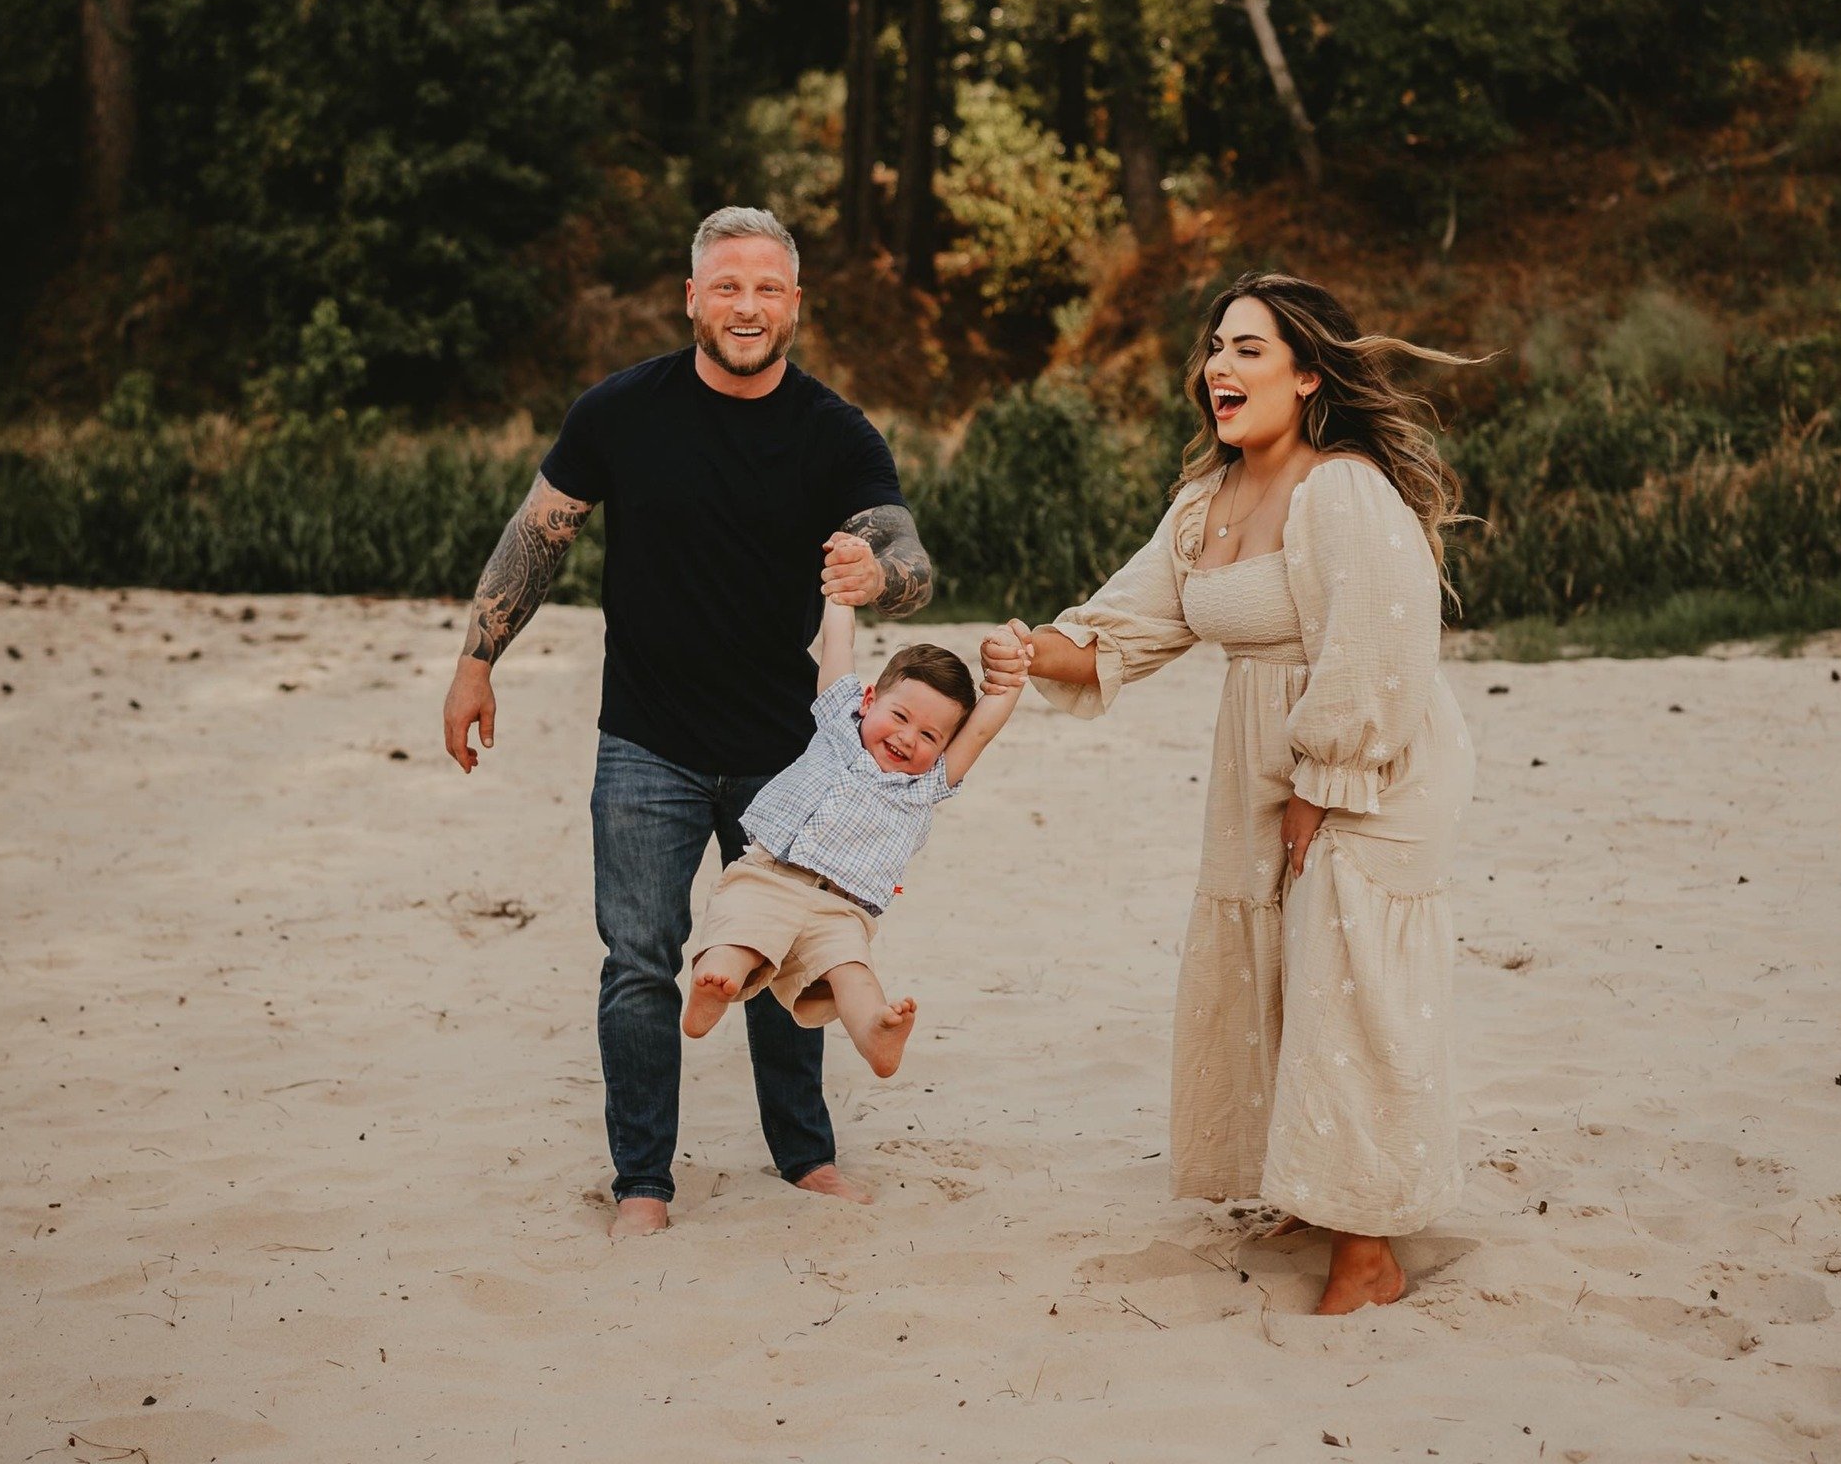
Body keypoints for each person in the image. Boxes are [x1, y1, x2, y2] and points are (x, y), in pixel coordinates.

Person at [983, 272, 1477, 1316]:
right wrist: (1027, 647)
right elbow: (1119, 631)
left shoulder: (1342, 488)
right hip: (1260, 761)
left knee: (1349, 983)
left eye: (1248, 347)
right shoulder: (1203, 505)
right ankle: (1312, 1180)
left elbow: (1382, 638)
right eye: (1215, 345)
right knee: (1275, 970)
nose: (1218, 364)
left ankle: (1370, 1244)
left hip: (1370, 755)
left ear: (1307, 375)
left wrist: (1322, 783)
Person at [440, 206, 936, 1237]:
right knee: (638, 960)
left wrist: (877, 569)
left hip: (787, 754)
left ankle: (803, 1154)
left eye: (766, 287)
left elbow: (906, 552)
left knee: (784, 952)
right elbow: (536, 536)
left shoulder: (834, 430)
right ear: (691, 297)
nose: (745, 305)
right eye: (726, 285)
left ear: (794, 303)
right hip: (645, 742)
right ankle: (643, 1182)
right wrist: (474, 661)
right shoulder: (620, 411)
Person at [683, 581, 1026, 1076]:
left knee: (854, 976)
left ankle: (877, 1034)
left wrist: (1009, 679)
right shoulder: (837, 725)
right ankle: (714, 988)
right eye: (900, 716)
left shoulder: (926, 784)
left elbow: (983, 728)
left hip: (841, 910)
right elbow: (837, 644)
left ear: (945, 746)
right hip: (769, 877)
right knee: (738, 935)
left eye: (930, 735)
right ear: (869, 700)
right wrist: (840, 594)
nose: (908, 739)